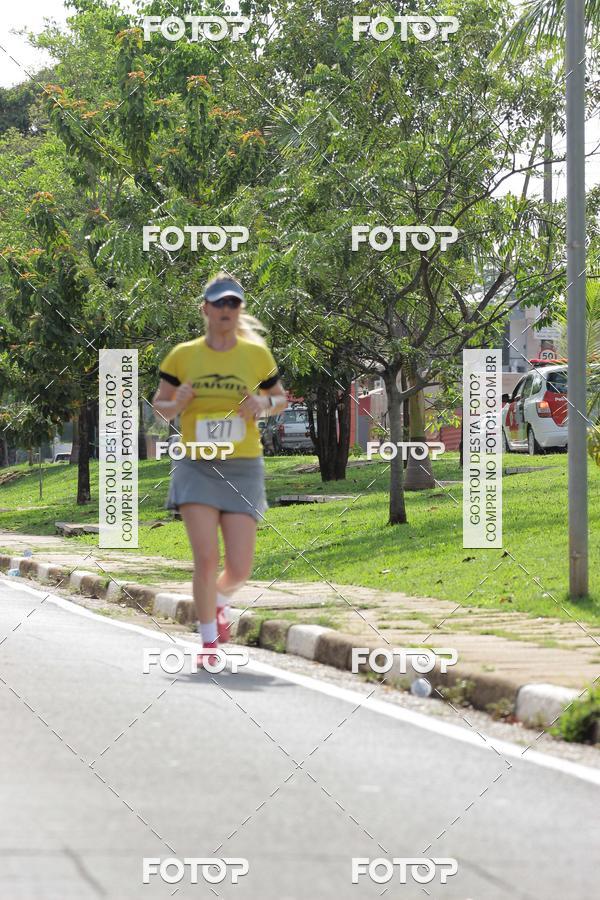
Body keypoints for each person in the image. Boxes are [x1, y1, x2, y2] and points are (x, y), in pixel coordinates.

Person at [152, 273, 287, 666]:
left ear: (239, 310)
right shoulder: (183, 355)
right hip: (196, 464)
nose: (226, 310)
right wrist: (176, 401)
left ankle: (219, 602)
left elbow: (279, 398)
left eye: (233, 303)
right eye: (219, 303)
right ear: (206, 309)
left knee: (241, 566)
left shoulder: (256, 355)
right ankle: (208, 642)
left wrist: (261, 406)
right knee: (206, 558)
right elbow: (160, 407)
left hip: (243, 463)